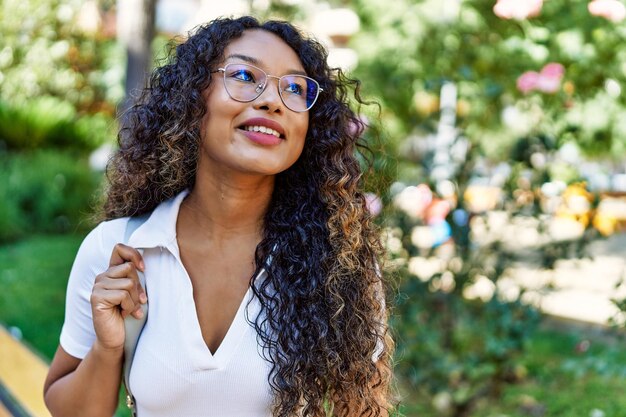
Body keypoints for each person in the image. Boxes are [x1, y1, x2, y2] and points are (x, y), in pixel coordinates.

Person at [43, 15, 393, 417]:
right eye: (245, 75)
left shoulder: (339, 265)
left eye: (294, 88)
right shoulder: (118, 250)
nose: (272, 100)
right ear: (193, 96)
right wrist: (108, 348)